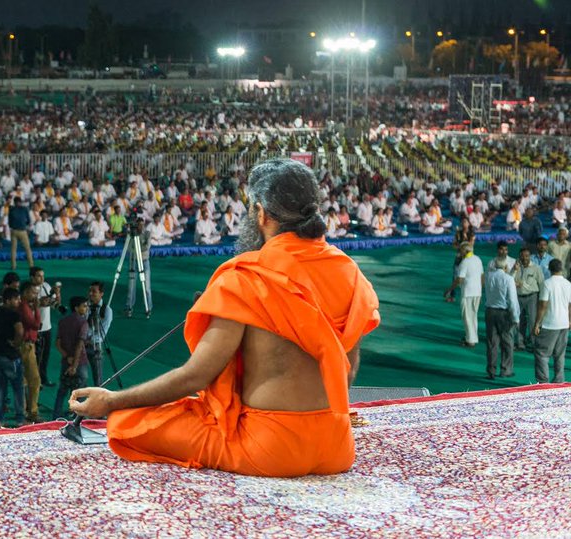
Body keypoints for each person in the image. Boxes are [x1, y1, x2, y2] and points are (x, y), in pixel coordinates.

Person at [69, 158, 380, 478]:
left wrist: (111, 402)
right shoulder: (349, 273)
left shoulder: (244, 278)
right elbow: (347, 370)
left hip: (270, 450)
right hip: (337, 447)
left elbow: (195, 377)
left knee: (127, 424)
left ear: (260, 213)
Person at [0, 288, 25, 428]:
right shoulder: (14, 315)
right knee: (18, 388)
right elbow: (20, 331)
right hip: (10, 357)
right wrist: (16, 343)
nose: (19, 301)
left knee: (0, 387)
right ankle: (20, 419)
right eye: (17, 299)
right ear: (8, 300)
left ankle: (0, 420)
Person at [52, 297, 90, 420]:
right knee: (80, 393)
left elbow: (57, 343)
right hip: (80, 363)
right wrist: (74, 365)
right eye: (84, 306)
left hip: (66, 361)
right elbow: (80, 345)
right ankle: (77, 419)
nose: (86, 308)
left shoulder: (63, 321)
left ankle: (55, 417)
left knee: (62, 391)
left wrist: (67, 357)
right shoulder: (83, 323)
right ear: (76, 307)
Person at [534, 259, 571, 383]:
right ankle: (559, 381)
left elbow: (543, 305)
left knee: (542, 353)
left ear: (549, 269)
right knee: (560, 354)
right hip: (564, 323)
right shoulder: (568, 284)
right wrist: (569, 320)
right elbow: (570, 305)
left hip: (550, 324)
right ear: (561, 269)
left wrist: (537, 323)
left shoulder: (547, 283)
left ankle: (543, 382)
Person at [484, 259, 520, 379]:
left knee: (492, 343)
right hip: (504, 313)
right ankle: (506, 369)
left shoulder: (488, 277)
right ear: (505, 267)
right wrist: (515, 317)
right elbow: (512, 299)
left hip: (489, 311)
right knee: (507, 342)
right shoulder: (508, 279)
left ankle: (491, 370)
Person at [447, 242, 484, 347]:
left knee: (467, 316)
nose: (459, 252)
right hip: (477, 292)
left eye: (460, 250)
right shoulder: (478, 259)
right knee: (473, 316)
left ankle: (470, 340)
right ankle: (471, 337)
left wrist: (450, 289)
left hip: (468, 293)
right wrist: (480, 292)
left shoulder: (465, 262)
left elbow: (459, 279)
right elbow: (482, 277)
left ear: (465, 251)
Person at [30, 267, 62, 388]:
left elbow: (56, 305)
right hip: (33, 329)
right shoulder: (28, 290)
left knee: (45, 355)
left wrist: (57, 294)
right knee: (33, 356)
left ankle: (43, 378)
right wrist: (39, 303)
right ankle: (32, 380)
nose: (42, 278)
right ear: (32, 277)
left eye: (43, 275)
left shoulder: (46, 286)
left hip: (46, 328)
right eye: (39, 276)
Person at [17, 283, 43, 424]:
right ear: (26, 292)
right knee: (34, 380)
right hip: (26, 346)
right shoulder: (24, 307)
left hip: (24, 346)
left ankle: (22, 411)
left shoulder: (23, 305)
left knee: (24, 380)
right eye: (33, 293)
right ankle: (32, 412)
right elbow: (35, 324)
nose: (35, 295)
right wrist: (37, 308)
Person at [515, 247, 544, 352]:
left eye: (526, 256)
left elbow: (541, 284)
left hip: (532, 297)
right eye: (522, 255)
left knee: (533, 321)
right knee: (519, 321)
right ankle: (520, 343)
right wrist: (514, 270)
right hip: (518, 297)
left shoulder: (536, 268)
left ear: (530, 256)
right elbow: (510, 279)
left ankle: (534, 344)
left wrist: (541, 300)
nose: (524, 258)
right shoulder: (516, 267)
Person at [85, 281, 114, 386]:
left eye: (94, 291)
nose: (91, 294)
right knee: (81, 376)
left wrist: (89, 339)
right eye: (90, 291)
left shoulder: (106, 310)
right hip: (82, 344)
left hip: (95, 347)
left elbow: (102, 332)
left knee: (98, 379)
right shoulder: (85, 306)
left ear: (101, 293)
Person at [8, 197, 34, 270]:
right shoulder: (24, 209)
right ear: (20, 202)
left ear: (14, 202)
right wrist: (25, 225)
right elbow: (28, 220)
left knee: (13, 249)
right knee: (27, 249)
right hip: (22, 230)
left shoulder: (11, 209)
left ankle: (13, 266)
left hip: (14, 230)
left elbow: (9, 222)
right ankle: (31, 265)